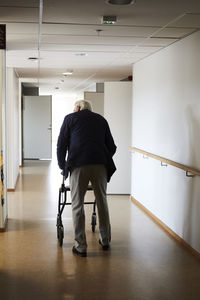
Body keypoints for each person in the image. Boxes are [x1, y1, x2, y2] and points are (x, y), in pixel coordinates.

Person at [57, 100, 116, 257]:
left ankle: (81, 246)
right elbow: (112, 146)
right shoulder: (101, 119)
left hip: (78, 164)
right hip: (100, 164)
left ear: (77, 108)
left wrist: (63, 167)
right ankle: (105, 240)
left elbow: (61, 144)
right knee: (102, 200)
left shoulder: (70, 118)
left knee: (77, 204)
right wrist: (100, 156)